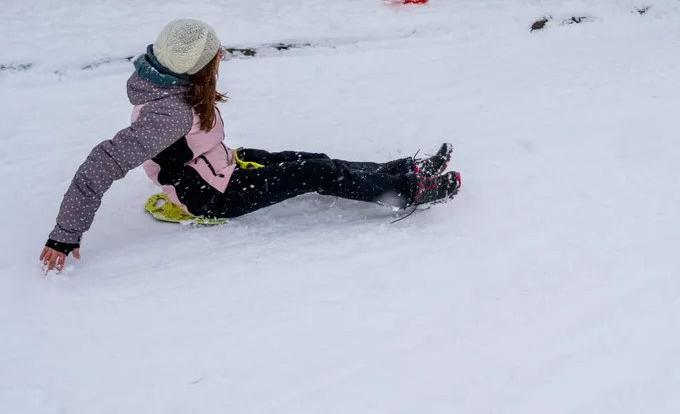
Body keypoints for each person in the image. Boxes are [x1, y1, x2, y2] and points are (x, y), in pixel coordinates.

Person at [40, 20, 460, 272]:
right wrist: (65, 235)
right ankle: (409, 191)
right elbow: (102, 163)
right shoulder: (166, 114)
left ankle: (402, 169)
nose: (221, 54)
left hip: (220, 165)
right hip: (212, 196)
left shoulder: (169, 84)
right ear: (196, 66)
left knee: (313, 160)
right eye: (214, 53)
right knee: (314, 174)